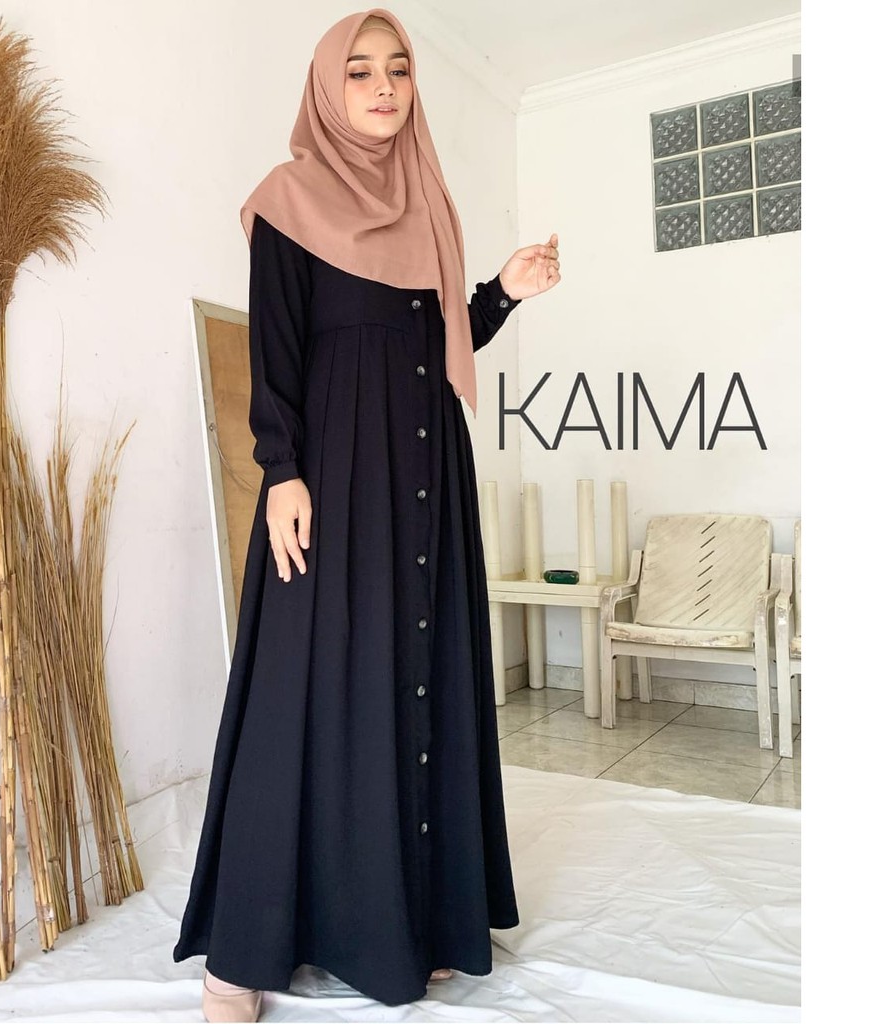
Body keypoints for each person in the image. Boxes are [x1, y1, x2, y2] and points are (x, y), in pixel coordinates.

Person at [173, 9, 561, 1022]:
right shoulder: (290, 198)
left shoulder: (426, 202)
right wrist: (282, 470)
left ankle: (402, 923)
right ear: (326, 87)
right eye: (359, 71)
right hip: (336, 479)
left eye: (398, 69)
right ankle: (239, 958)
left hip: (427, 475)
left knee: (414, 682)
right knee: (299, 695)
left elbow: (432, 340)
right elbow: (275, 347)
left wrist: (504, 292)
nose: (384, 87)